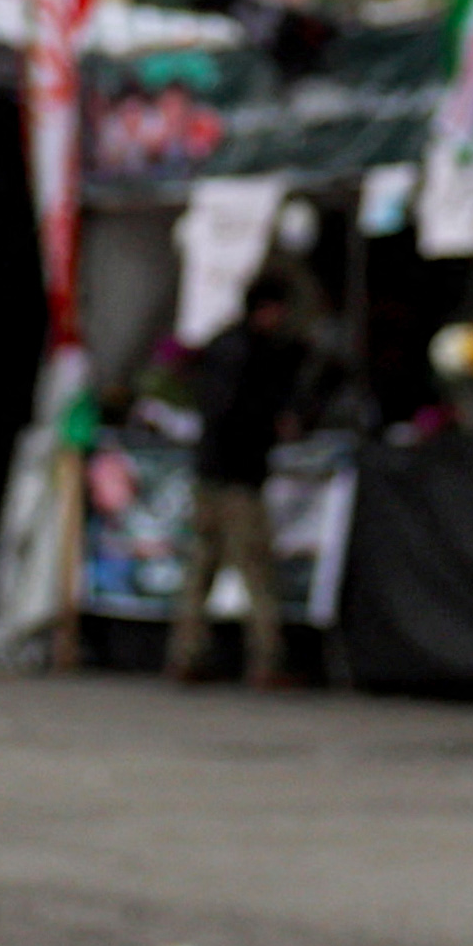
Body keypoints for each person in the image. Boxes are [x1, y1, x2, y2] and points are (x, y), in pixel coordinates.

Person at [164, 275, 313, 690]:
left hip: (210, 471)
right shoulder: (253, 353)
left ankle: (186, 654)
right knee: (256, 569)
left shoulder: (222, 345)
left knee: (201, 568)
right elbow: (242, 413)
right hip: (237, 476)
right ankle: (267, 660)